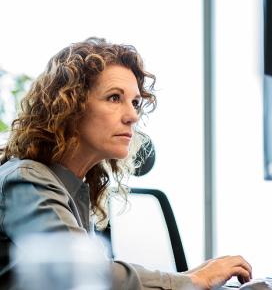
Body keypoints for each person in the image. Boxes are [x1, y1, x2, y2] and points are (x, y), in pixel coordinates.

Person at [0, 37, 252, 290]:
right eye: (113, 98)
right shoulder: (25, 179)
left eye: (134, 102)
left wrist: (191, 277)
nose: (132, 116)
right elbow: (84, 272)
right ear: (69, 107)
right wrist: (195, 281)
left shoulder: (71, 187)